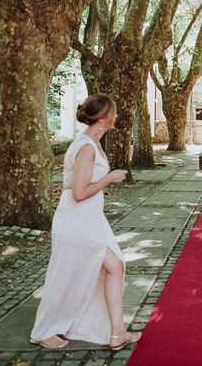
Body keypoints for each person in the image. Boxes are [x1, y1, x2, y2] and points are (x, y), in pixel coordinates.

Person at [30, 94, 140, 350]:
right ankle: (43, 330)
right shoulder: (86, 147)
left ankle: (117, 332)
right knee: (66, 275)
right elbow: (78, 192)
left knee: (116, 267)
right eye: (112, 113)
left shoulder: (93, 143)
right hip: (76, 221)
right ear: (103, 118)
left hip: (91, 220)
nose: (115, 117)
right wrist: (109, 179)